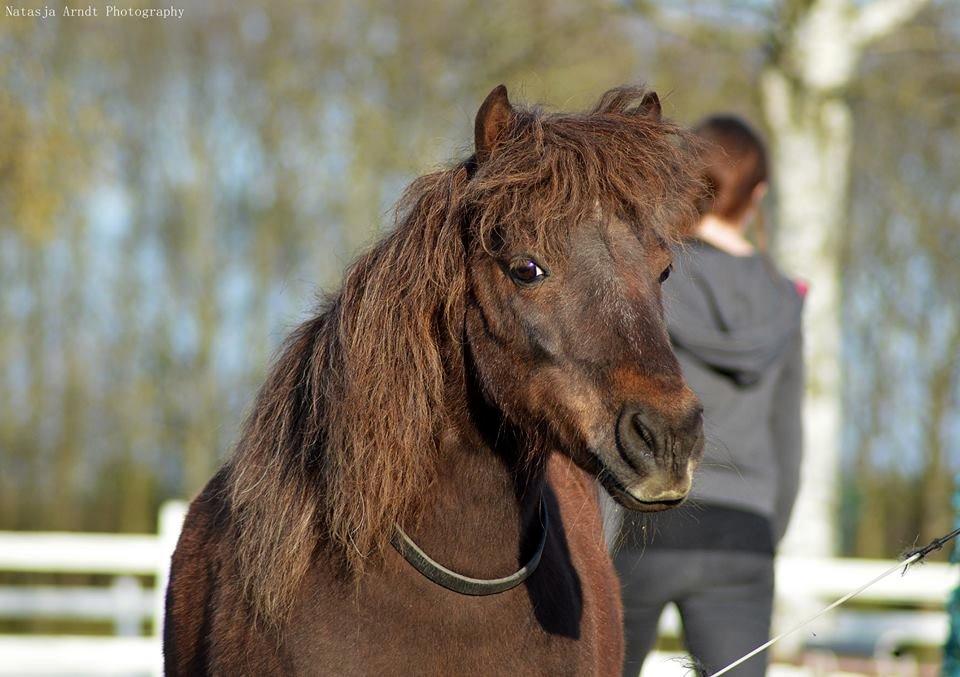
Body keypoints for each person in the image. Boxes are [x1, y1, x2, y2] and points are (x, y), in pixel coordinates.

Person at [615, 115, 805, 677]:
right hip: (743, 529)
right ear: (759, 195)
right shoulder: (784, 301)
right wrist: (765, 529)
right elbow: (788, 438)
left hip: (643, 518)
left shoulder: (655, 278)